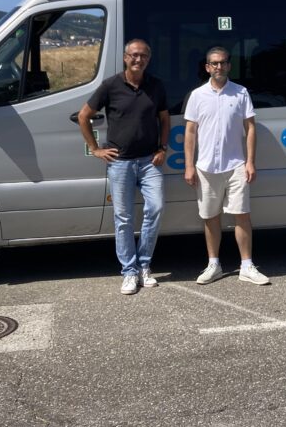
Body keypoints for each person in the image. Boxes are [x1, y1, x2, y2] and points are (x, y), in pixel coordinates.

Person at [78, 39, 169, 296]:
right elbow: (83, 116)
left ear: (148, 59)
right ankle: (129, 271)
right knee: (124, 218)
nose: (138, 59)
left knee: (156, 207)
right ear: (125, 57)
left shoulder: (156, 86)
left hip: (149, 161)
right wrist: (95, 149)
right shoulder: (111, 85)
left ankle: (143, 265)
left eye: (143, 56)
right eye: (134, 55)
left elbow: (164, 119)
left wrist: (162, 148)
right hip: (120, 163)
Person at [183, 46, 270, 286]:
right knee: (210, 217)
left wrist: (250, 162)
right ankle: (214, 265)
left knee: (242, 215)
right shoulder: (197, 95)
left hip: (236, 165)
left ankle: (247, 266)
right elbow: (190, 132)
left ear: (229, 66)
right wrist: (189, 165)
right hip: (206, 167)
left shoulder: (240, 93)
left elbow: (250, 128)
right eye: (214, 63)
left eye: (222, 62)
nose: (219, 67)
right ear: (207, 67)